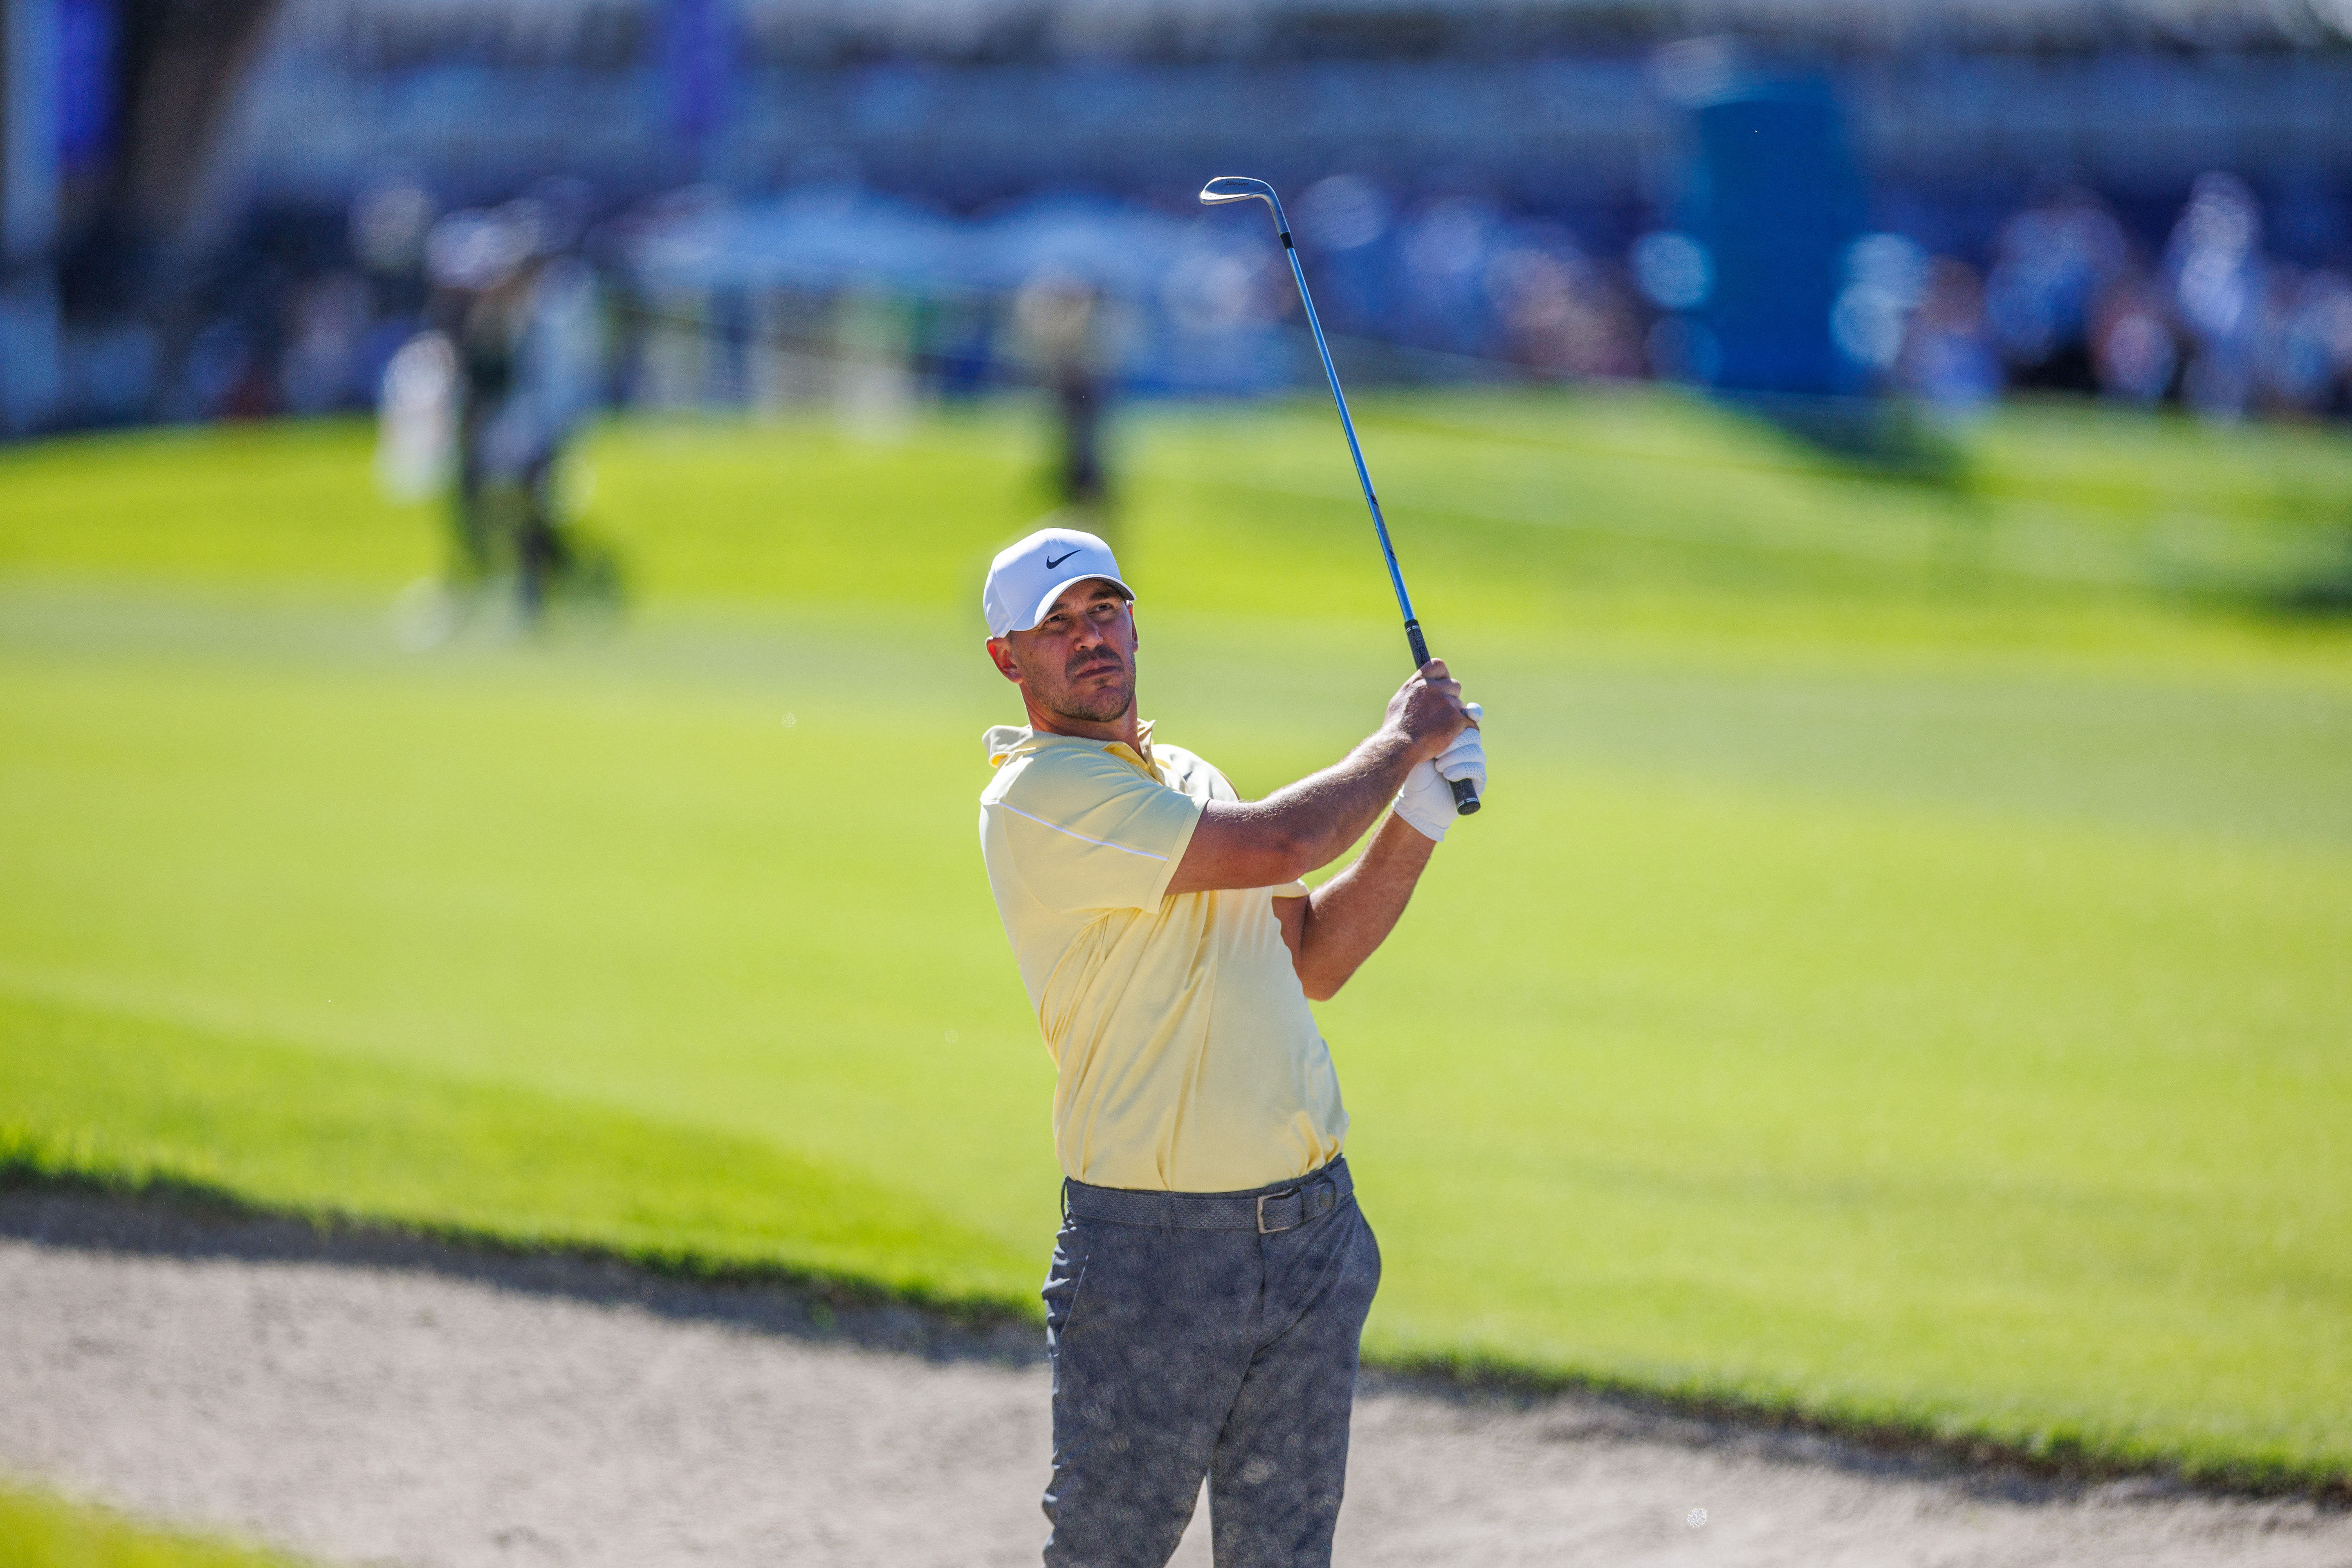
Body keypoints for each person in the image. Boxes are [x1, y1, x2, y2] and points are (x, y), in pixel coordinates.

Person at [974, 525, 1485, 1568]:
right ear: (1008, 659)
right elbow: (1280, 844)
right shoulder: (1037, 798)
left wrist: (1420, 812)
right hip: (1153, 1259)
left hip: (1308, 1239)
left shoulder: (1188, 777)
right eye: (1056, 624)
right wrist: (1400, 742)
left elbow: (1316, 957)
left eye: (1104, 610)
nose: (1090, 638)